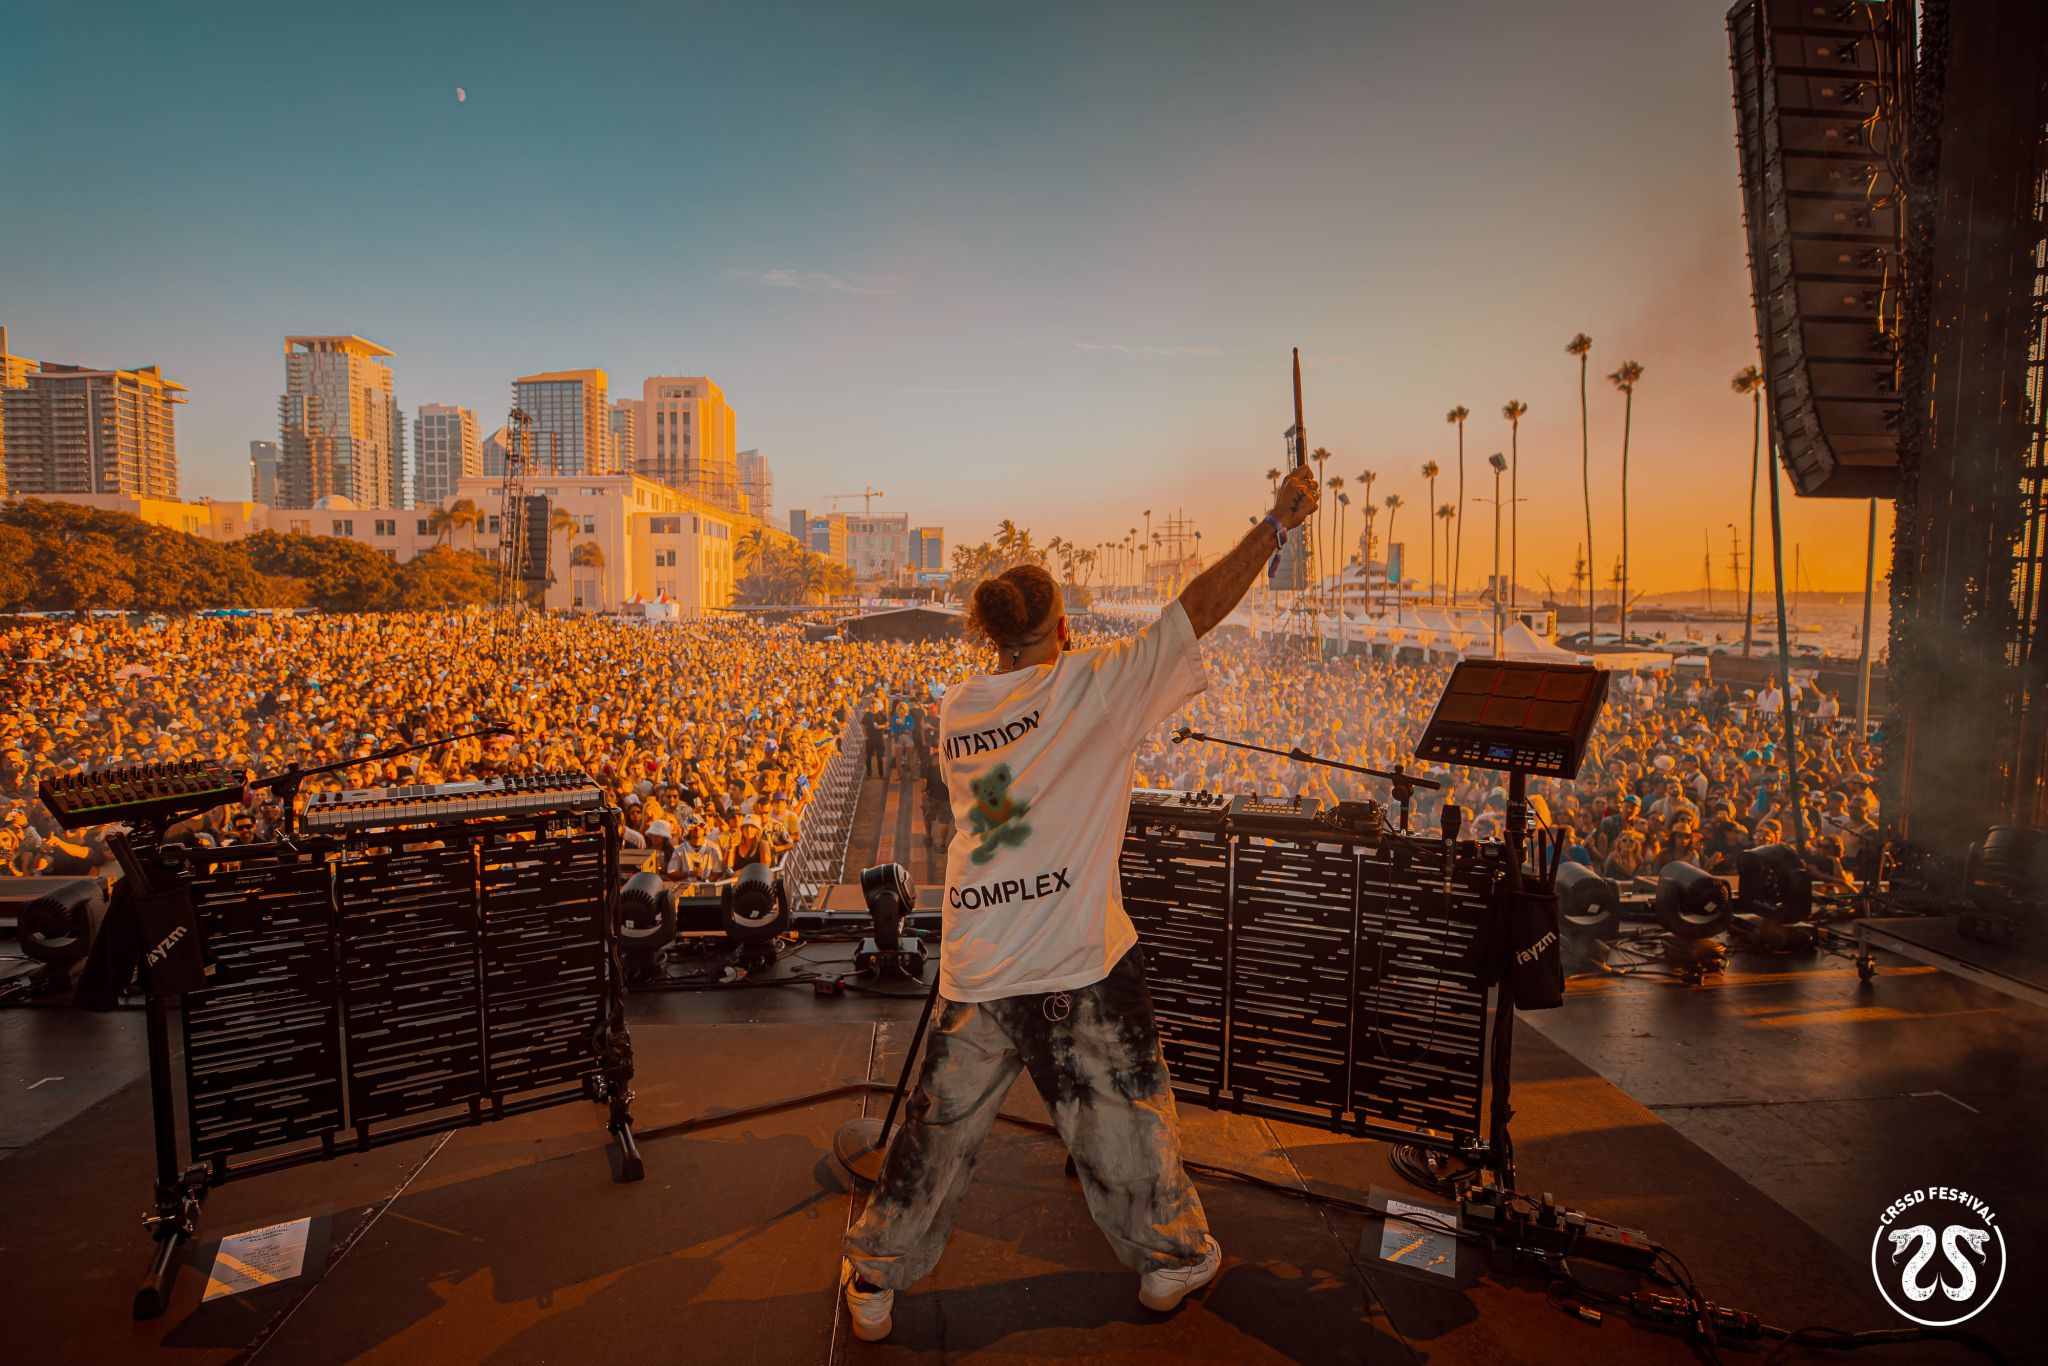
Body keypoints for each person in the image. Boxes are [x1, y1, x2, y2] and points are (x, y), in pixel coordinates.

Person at [840, 465, 1322, 1342]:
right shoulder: (1096, 688)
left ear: (992, 636)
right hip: (1074, 957)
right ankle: (1171, 1261)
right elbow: (1195, 610)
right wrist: (1276, 526)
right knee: (1127, 1119)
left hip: (981, 957)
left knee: (936, 1134)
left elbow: (1013, 778)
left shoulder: (959, 707)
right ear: (1063, 627)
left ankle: (873, 1276)